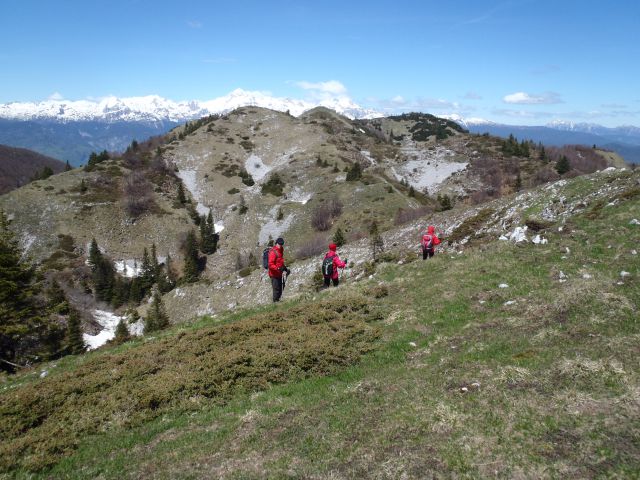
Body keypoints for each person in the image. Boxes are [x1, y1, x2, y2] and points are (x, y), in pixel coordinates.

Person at [268, 237, 290, 302]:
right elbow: (270, 264)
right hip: (274, 274)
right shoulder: (273, 252)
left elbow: (280, 261)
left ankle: (278, 303)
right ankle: (275, 304)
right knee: (276, 290)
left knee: (280, 289)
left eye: (281, 244)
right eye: (279, 244)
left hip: (279, 273)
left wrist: (284, 268)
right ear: (276, 243)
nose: (280, 246)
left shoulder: (281, 250)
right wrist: (277, 268)